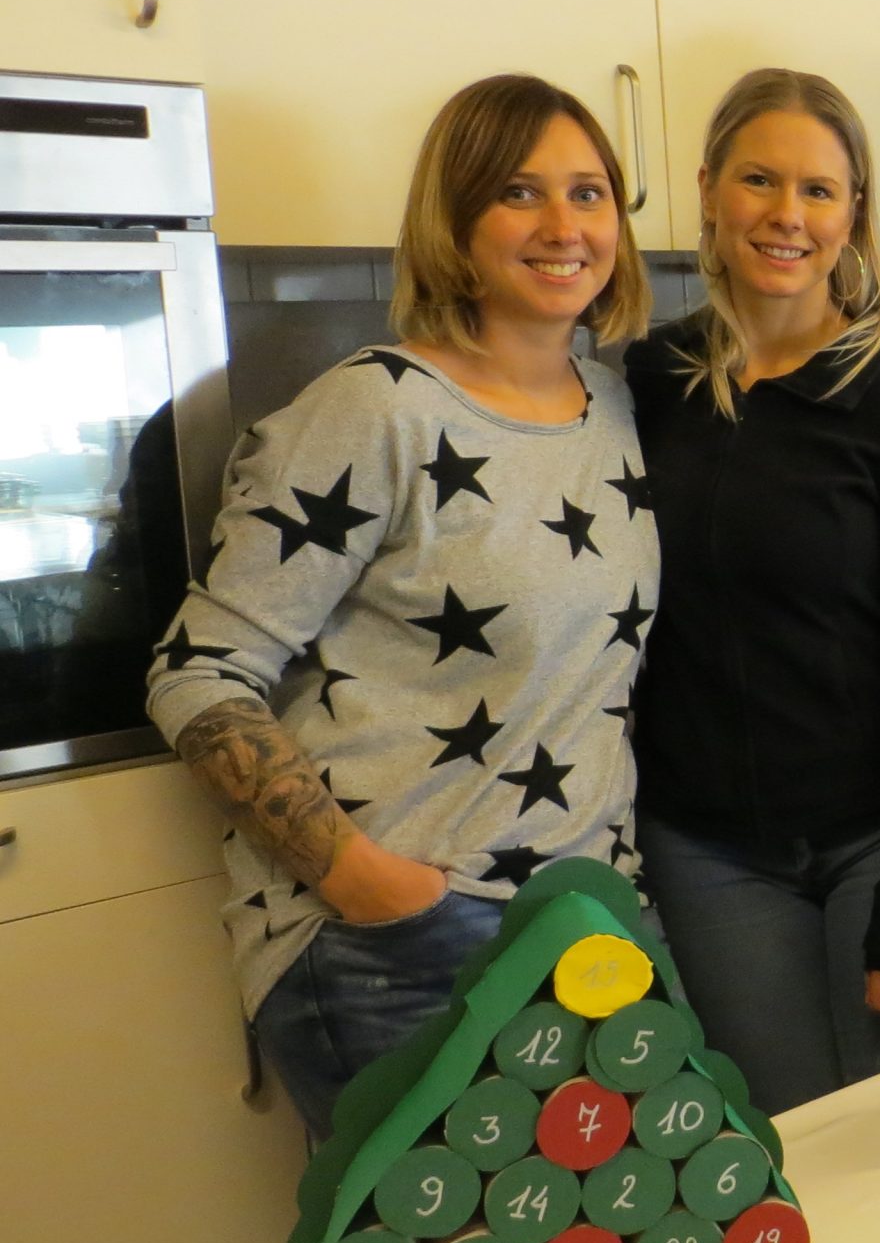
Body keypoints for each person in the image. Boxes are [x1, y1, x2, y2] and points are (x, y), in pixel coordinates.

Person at [145, 75, 655, 1135]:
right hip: (408, 942)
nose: (564, 226)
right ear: (454, 220)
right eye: (519, 193)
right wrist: (368, 884)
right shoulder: (377, 409)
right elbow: (199, 670)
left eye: (589, 192)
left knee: (642, 1234)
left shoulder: (612, 404)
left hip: (588, 920)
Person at [624, 69, 880, 1113]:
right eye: (759, 180)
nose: (787, 214)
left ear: (853, 214)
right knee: (781, 1145)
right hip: (710, 855)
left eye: (818, 190)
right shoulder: (644, 386)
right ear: (708, 189)